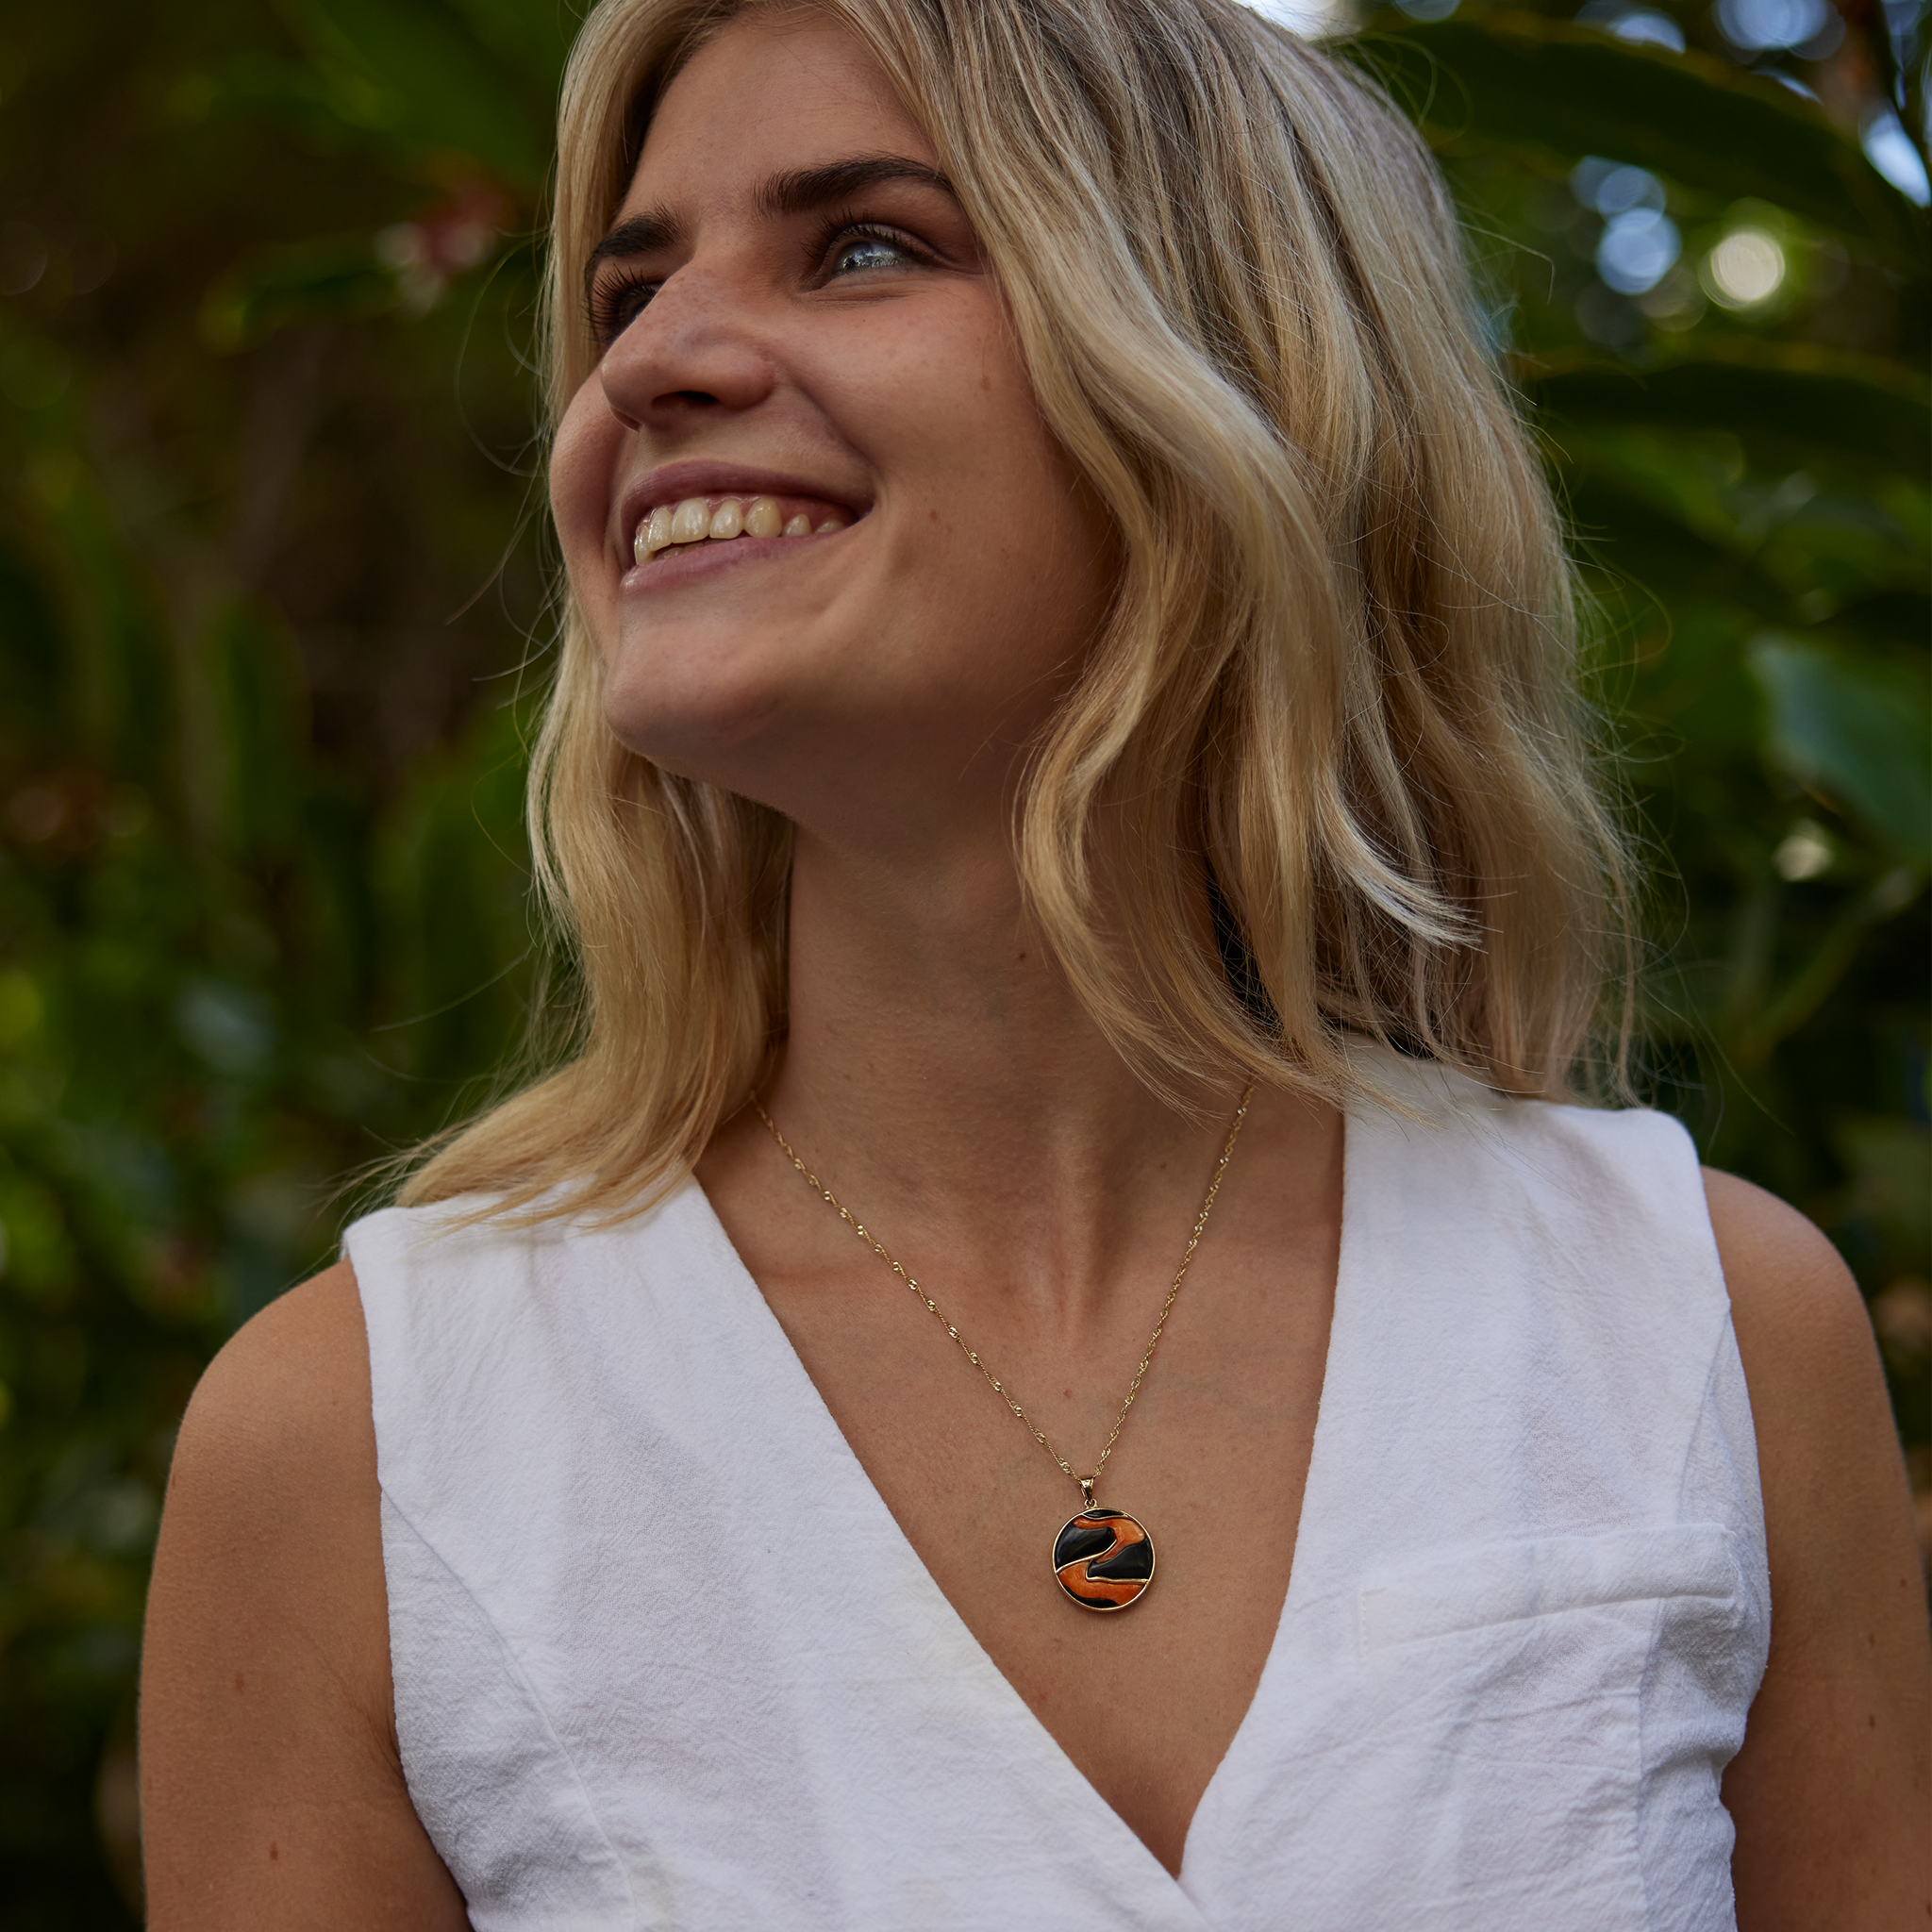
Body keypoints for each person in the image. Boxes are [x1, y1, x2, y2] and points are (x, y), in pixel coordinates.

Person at [137, 0, 1929, 1924]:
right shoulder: (363, 1447)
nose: (644, 364)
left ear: (1239, 373)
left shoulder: (1700, 1330)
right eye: (628, 291)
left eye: (862, 247)